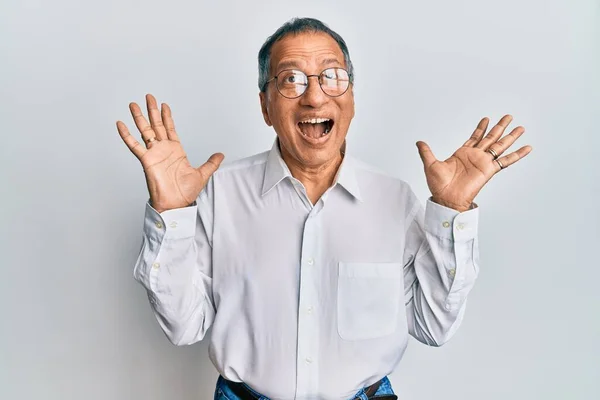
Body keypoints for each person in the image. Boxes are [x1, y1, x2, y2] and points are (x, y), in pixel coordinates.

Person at [116, 17, 532, 400]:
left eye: (332, 77)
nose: (314, 97)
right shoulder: (219, 195)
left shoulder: (395, 199)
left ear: (350, 98)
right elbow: (182, 326)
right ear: (265, 107)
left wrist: (451, 210)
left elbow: (432, 326)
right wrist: (170, 212)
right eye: (291, 80)